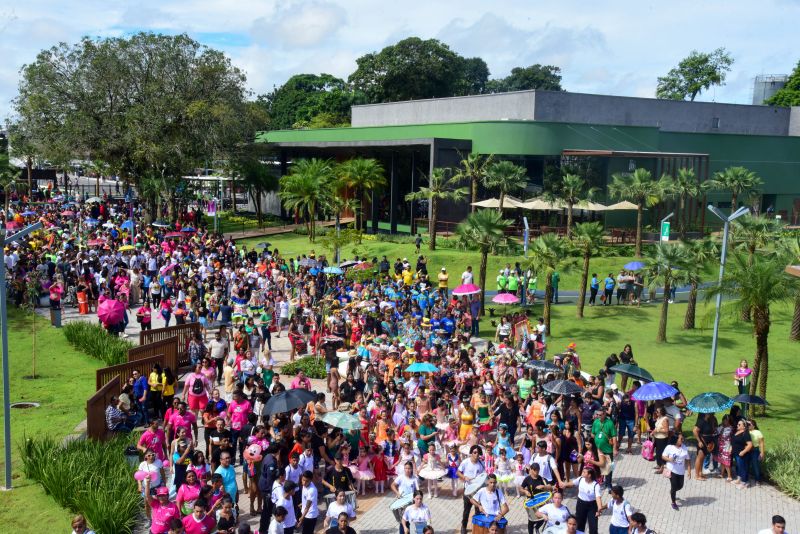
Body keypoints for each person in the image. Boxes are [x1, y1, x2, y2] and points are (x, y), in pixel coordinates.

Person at [562, 466, 602, 534]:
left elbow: (598, 498)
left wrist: (599, 509)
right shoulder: (580, 479)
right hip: (581, 504)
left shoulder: (595, 485)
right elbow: (572, 483)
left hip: (592, 506)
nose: (582, 473)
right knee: (580, 525)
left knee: (593, 527)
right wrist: (564, 485)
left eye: (584, 472)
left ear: (589, 475)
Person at [458, 445, 486, 534]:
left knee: (478, 510)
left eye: (478, 453)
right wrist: (464, 477)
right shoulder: (465, 462)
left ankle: (477, 527)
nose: (476, 454)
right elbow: (458, 472)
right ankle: (463, 527)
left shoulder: (481, 464)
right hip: (468, 491)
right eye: (474, 452)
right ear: (471, 453)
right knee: (466, 510)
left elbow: (483, 476)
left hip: (478, 491)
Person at [662, 433, 691, 510]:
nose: (682, 440)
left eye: (683, 438)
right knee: (674, 486)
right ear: (676, 440)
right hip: (672, 470)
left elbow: (688, 460)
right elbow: (663, 456)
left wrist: (689, 471)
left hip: (681, 471)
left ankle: (672, 491)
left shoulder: (684, 448)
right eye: (681, 439)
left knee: (680, 486)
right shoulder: (669, 447)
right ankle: (673, 502)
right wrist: (669, 459)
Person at [731, 418, 754, 489]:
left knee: (743, 468)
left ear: (744, 426)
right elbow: (734, 441)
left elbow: (750, 445)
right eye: (737, 424)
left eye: (739, 424)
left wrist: (743, 452)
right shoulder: (737, 431)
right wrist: (731, 448)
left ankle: (744, 482)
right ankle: (739, 479)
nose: (737, 425)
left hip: (742, 454)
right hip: (736, 453)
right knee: (739, 467)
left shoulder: (745, 433)